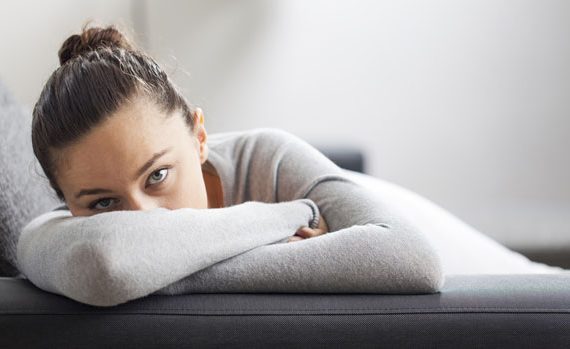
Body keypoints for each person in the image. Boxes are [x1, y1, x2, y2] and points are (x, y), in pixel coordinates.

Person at [16, 24, 444, 307]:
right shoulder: (52, 236)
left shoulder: (269, 158)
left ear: (199, 137)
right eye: (104, 205)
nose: (144, 220)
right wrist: (284, 222)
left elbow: (417, 259)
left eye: (158, 176)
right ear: (66, 204)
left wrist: (158, 269)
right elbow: (106, 269)